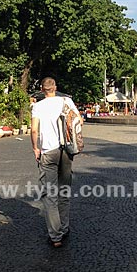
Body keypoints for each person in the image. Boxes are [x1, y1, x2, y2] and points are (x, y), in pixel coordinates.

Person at [31, 77, 83, 248]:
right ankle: (65, 227)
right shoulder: (66, 101)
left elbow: (34, 130)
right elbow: (79, 121)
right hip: (67, 151)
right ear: (55, 88)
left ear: (42, 89)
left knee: (50, 194)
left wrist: (35, 148)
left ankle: (55, 236)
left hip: (48, 152)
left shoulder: (38, 106)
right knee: (64, 191)